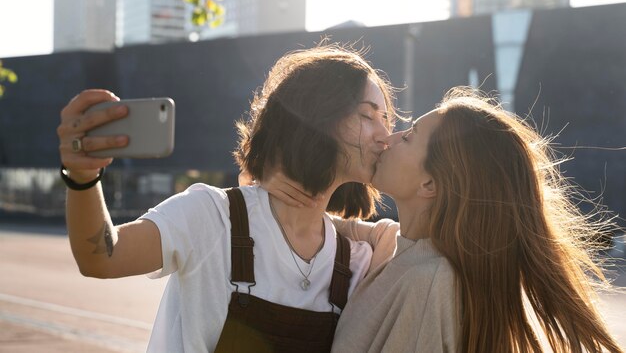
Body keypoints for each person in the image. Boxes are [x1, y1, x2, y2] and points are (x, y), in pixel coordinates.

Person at [56, 44, 402, 352]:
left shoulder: (357, 260)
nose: (385, 136)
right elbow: (101, 258)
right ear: (316, 118)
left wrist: (313, 211)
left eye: (386, 118)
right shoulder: (211, 216)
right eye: (368, 115)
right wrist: (83, 177)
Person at [265, 87, 624, 353]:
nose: (388, 138)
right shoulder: (397, 244)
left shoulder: (431, 282)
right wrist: (269, 180)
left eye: (408, 137)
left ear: (429, 184)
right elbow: (313, 218)